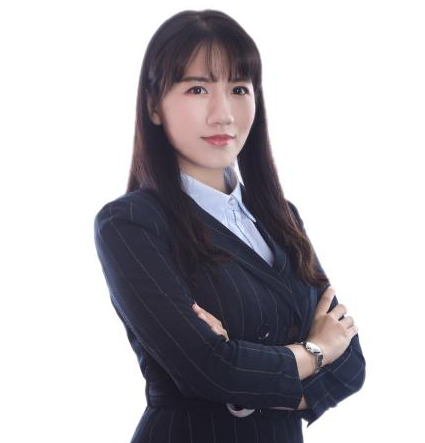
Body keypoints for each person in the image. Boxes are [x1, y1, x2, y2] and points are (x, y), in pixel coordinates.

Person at [93, 9, 366, 443]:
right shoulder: (129, 224)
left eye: (239, 88)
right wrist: (317, 350)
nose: (223, 114)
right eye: (197, 88)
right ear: (154, 105)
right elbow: (210, 369)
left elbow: (351, 364)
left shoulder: (281, 216)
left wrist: (243, 375)